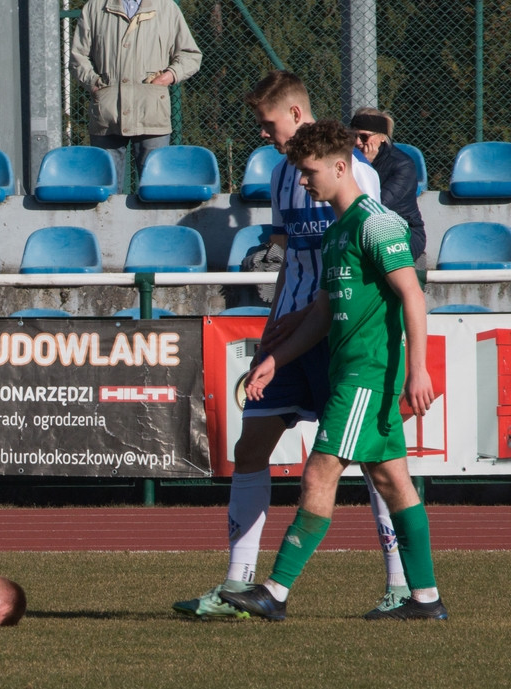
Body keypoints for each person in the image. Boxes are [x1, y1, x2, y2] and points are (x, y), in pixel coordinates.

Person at [172, 71, 406, 620]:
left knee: (375, 464)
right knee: (250, 447)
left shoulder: (357, 177)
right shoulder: (284, 176)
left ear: (297, 115)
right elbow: (291, 257)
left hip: (337, 333)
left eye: (268, 123)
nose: (263, 133)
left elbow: (364, 266)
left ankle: (400, 585)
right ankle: (237, 587)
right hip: (290, 331)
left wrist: (312, 318)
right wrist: (274, 324)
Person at [219, 119, 447, 621]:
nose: (303, 182)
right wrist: (274, 360)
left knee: (319, 472)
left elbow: (412, 294)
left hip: (368, 374)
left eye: (310, 171)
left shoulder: (377, 222)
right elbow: (322, 313)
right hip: (353, 372)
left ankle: (274, 592)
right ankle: (426, 600)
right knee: (393, 482)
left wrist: (418, 369)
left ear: (341, 167)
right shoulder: (339, 232)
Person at [69, 0, 202, 192]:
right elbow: (77, 57)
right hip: (107, 113)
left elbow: (190, 55)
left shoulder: (166, 8)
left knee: (157, 191)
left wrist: (167, 77)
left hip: (152, 112)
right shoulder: (95, 7)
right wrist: (95, 84)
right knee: (104, 193)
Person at [349, 107, 427, 268]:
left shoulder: (402, 165)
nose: (357, 142)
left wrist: (365, 166)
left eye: (364, 137)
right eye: (353, 136)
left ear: (382, 138)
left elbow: (375, 206)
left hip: (403, 230)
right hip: (363, 229)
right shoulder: (349, 160)